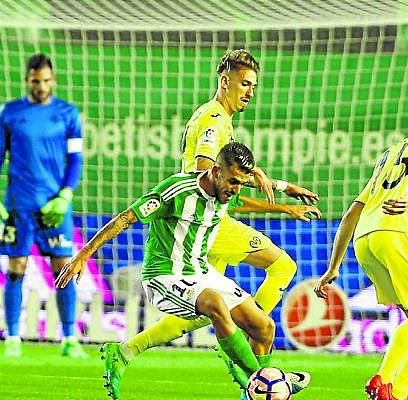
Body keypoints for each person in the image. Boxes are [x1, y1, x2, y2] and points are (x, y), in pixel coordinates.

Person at [99, 49, 318, 399]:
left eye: (254, 86)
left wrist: (280, 187)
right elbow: (208, 176)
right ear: (225, 81)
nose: (250, 92)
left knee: (206, 308)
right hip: (205, 223)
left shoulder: (219, 118)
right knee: (280, 267)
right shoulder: (213, 121)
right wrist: (281, 205)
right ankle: (249, 363)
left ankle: (128, 351)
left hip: (207, 222)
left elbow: (231, 177)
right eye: (244, 84)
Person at [55, 143, 293, 399]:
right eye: (233, 182)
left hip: (200, 272)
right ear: (215, 171)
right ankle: (265, 382)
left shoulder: (226, 191)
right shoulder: (176, 191)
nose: (235, 189)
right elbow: (126, 217)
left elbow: (240, 198)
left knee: (264, 327)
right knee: (214, 303)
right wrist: (84, 253)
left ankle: (257, 389)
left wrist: (283, 203)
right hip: (164, 276)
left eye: (241, 184)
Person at [314, 96, 408, 400]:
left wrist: (333, 266)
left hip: (365, 239)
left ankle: (382, 380)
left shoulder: (390, 154)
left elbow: (353, 211)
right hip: (397, 231)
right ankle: (398, 391)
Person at [0, 53, 86, 358]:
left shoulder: (68, 114)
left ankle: (69, 339)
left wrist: (65, 195)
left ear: (54, 80)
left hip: (54, 207)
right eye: (36, 81)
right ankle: (12, 338)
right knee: (16, 269)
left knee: (63, 269)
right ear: (27, 80)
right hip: (20, 205)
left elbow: (75, 159)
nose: (41, 86)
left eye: (46, 81)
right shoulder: (10, 113)